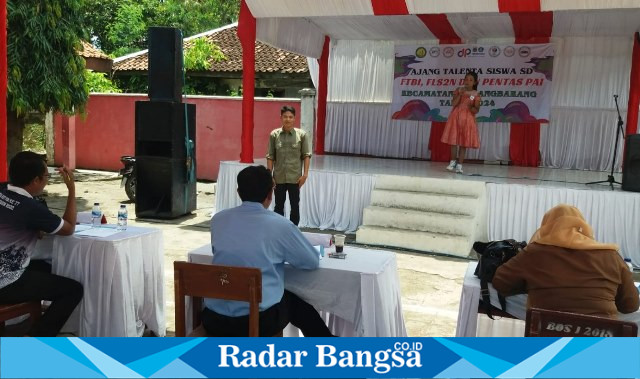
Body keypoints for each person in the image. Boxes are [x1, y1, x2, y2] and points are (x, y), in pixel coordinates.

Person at [202, 165, 333, 337]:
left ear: (239, 192)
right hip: (256, 322)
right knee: (293, 301)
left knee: (281, 298)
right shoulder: (280, 225)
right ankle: (326, 344)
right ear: (270, 195)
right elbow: (311, 261)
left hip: (214, 320)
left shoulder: (218, 220)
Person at [493, 204, 639, 319]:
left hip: (546, 341)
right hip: (600, 343)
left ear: (546, 226)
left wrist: (531, 285)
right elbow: (630, 305)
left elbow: (500, 282)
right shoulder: (611, 255)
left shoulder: (535, 252)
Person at [0, 151, 83, 336]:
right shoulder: (31, 208)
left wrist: (34, 225)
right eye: (46, 176)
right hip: (5, 281)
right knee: (73, 290)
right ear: (36, 180)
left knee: (49, 267)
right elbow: (68, 229)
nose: (47, 181)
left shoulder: (3, 189)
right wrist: (71, 190)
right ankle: (37, 338)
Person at [266, 105, 311, 226]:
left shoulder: (301, 135)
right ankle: (278, 231)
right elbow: (270, 156)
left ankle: (293, 231)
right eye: (285, 116)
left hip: (295, 178)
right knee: (278, 206)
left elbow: (306, 155)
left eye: (290, 117)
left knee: (294, 206)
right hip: (278, 177)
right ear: (281, 117)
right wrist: (269, 176)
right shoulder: (274, 135)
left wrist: (305, 175)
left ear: (294, 118)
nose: (288, 119)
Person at [442, 71, 481, 174]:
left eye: (470, 80)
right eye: (466, 79)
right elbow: (453, 103)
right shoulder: (458, 90)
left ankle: (459, 164)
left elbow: (476, 109)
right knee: (453, 141)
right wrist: (460, 94)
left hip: (467, 119)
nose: (468, 81)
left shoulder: (475, 94)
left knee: (463, 142)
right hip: (456, 117)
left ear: (475, 82)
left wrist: (471, 107)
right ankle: (453, 161)